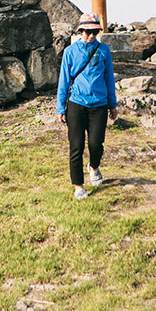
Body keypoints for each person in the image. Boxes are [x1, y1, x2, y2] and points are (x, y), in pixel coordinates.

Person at [56, 12, 118, 200]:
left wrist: (112, 104)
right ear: (80, 31)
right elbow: (63, 81)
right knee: (76, 146)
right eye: (86, 32)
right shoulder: (70, 52)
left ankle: (93, 166)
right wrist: (60, 108)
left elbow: (109, 78)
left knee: (96, 144)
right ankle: (78, 186)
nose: (90, 35)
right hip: (76, 104)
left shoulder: (104, 50)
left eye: (94, 32)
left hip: (99, 104)